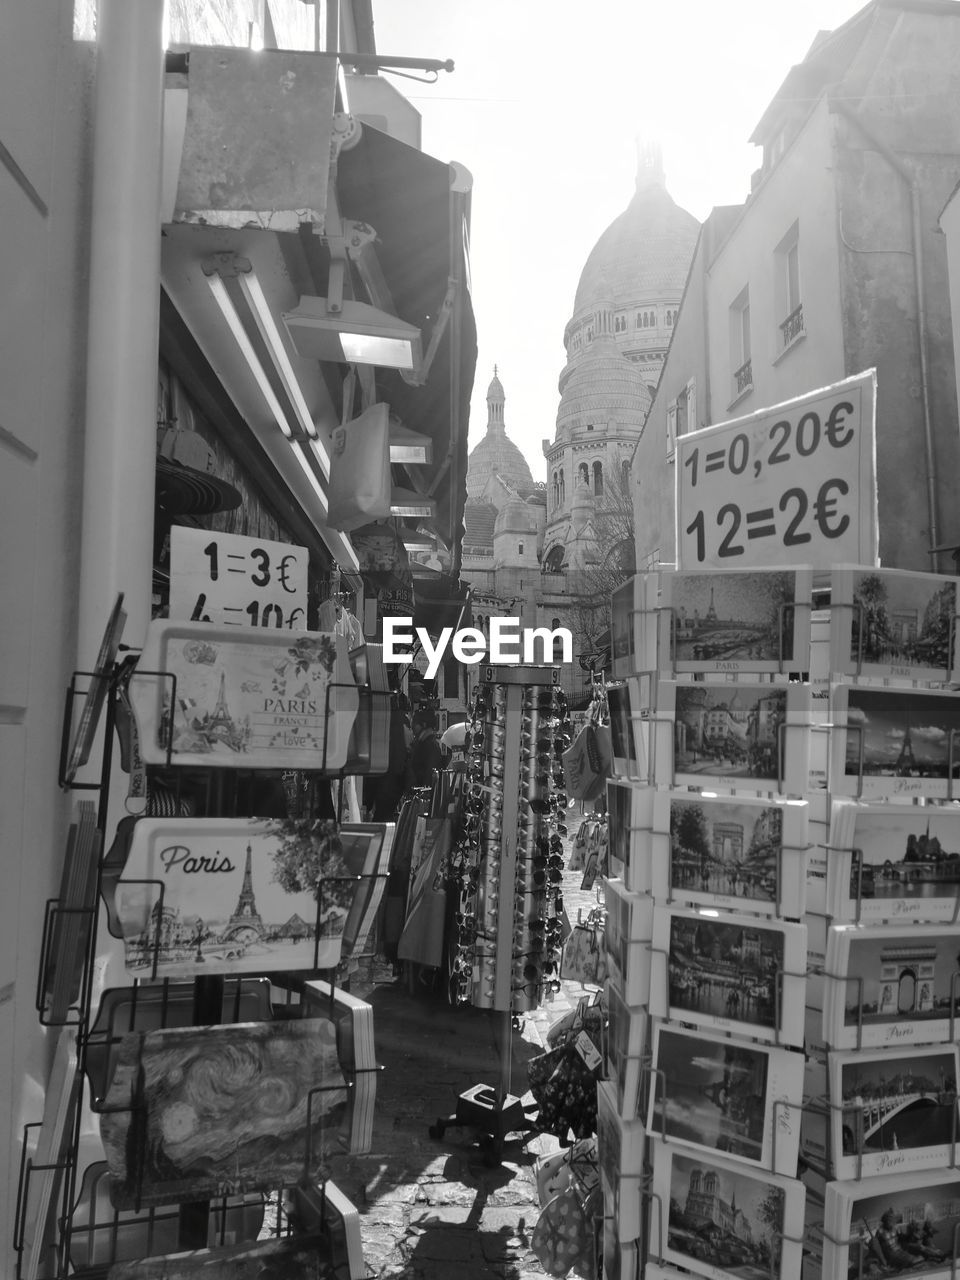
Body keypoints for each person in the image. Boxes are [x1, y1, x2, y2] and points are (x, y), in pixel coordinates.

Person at [406, 712, 444, 789]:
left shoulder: (430, 746)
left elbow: (430, 773)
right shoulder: (422, 743)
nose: (412, 727)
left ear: (424, 725)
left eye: (415, 724)